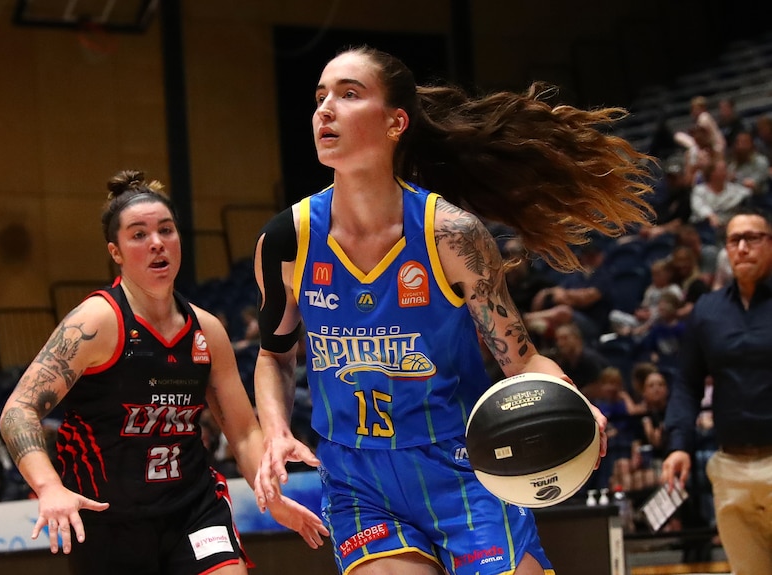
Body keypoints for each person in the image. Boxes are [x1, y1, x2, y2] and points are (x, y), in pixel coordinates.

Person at [252, 46, 651, 575]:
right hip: (358, 477)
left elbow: (521, 358)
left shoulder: (450, 235)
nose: (325, 108)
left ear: (396, 122)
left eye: (349, 94)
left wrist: (571, 398)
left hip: (465, 463)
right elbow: (274, 357)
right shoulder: (287, 240)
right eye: (320, 96)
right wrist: (277, 430)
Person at [0, 170, 326, 574]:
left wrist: (271, 492)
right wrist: (48, 487)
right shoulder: (97, 322)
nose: (157, 243)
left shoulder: (207, 330)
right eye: (138, 235)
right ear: (115, 252)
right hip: (106, 518)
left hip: (192, 508)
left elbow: (242, 431)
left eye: (166, 230)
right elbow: (18, 410)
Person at [662, 206, 772, 574]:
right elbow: (687, 384)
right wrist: (679, 446)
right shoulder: (707, 311)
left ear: (769, 244)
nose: (742, 248)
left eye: (752, 239)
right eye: (734, 240)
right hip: (730, 467)